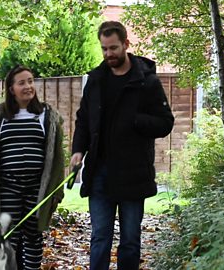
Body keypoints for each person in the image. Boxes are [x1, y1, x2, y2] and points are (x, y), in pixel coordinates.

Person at [70, 21, 174, 269]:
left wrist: (135, 120)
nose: (108, 54)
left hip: (133, 173)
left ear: (126, 44)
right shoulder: (96, 80)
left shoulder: (146, 82)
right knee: (99, 238)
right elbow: (83, 120)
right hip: (99, 174)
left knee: (130, 240)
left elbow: (165, 123)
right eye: (104, 49)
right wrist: (77, 150)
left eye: (113, 48)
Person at [0, 65, 65, 270]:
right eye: (22, 82)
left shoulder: (46, 115)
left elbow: (58, 157)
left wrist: (58, 191)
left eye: (31, 81)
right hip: (7, 188)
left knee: (33, 235)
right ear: (11, 88)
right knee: (6, 236)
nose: (28, 86)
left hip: (36, 189)